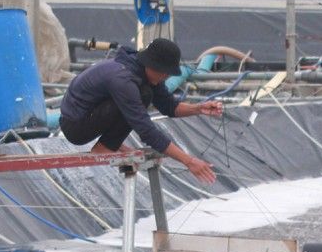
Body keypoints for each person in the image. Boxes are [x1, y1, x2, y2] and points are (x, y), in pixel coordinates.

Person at [59, 38, 220, 184]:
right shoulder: (124, 80)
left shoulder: (143, 72)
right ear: (151, 65)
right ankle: (105, 146)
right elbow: (145, 130)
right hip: (75, 126)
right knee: (143, 95)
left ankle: (111, 143)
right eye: (164, 72)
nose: (165, 77)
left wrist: (198, 108)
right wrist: (188, 161)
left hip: (91, 115)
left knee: (145, 93)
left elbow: (169, 106)